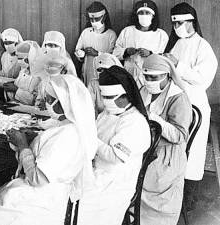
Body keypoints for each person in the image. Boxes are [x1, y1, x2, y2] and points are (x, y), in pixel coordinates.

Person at [0, 74, 97, 225]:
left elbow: (38, 178)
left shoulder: (68, 136)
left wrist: (23, 145)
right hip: (39, 193)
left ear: (65, 103)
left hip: (40, 201)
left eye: (51, 100)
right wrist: (29, 141)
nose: (46, 103)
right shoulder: (65, 126)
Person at [77, 66, 151, 225]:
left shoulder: (134, 123)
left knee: (78, 205)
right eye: (103, 97)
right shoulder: (107, 114)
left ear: (126, 96)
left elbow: (114, 156)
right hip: (97, 172)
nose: (105, 101)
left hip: (116, 182)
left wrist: (89, 138)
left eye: (109, 97)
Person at [163, 2, 218, 209]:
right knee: (174, 149)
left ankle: (188, 200)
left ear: (192, 22)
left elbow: (202, 78)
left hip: (194, 104)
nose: (177, 28)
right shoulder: (177, 43)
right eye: (174, 24)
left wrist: (178, 64)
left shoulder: (202, 46)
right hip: (176, 103)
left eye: (181, 23)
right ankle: (171, 195)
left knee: (191, 152)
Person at [139, 54, 191, 225]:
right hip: (147, 147)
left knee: (152, 180)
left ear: (167, 75)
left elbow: (180, 135)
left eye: (154, 77)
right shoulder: (145, 90)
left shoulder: (178, 97)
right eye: (146, 77)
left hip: (168, 154)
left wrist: (157, 120)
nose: (149, 81)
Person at [113, 0, 168, 88]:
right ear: (136, 15)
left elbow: (164, 59)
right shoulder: (127, 31)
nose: (144, 15)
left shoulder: (161, 35)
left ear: (153, 16)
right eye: (141, 13)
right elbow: (115, 53)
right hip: (129, 74)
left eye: (147, 13)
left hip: (150, 77)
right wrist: (126, 51)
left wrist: (150, 54)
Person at [75, 1, 117, 85]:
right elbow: (77, 50)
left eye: (97, 19)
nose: (94, 22)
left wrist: (97, 53)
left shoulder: (111, 34)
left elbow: (113, 57)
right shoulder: (86, 32)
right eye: (91, 19)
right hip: (87, 70)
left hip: (103, 72)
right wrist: (81, 54)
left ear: (104, 17)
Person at [3, 41, 41, 105]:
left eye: (21, 58)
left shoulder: (39, 76)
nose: (19, 61)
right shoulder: (23, 71)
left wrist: (16, 90)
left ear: (29, 58)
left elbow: (37, 101)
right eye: (18, 58)